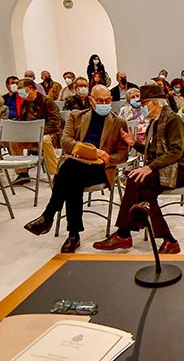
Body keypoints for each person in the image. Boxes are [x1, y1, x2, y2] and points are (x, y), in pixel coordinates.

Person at [23, 85, 132, 253]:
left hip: (100, 169)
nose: (105, 103)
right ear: (91, 100)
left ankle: (50, 218)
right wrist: (91, 151)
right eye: (101, 101)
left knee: (68, 171)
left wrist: (107, 158)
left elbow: (123, 154)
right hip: (76, 165)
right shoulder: (76, 116)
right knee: (73, 177)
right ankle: (72, 234)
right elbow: (65, 141)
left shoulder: (119, 122)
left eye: (108, 100)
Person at [91, 84, 184, 255]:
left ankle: (124, 234)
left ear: (154, 103)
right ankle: (168, 240)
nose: (142, 107)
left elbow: (176, 151)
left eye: (144, 103)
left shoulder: (173, 120)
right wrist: (134, 144)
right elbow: (154, 150)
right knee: (142, 188)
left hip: (179, 169)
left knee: (136, 179)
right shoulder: (155, 121)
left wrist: (149, 168)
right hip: (164, 167)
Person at [9, 78, 62, 183]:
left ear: (30, 88)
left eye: (20, 88)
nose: (18, 91)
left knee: (45, 140)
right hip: (31, 135)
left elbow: (55, 122)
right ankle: (22, 173)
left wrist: (39, 132)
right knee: (13, 141)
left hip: (50, 134)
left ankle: (56, 174)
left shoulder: (47, 102)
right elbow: (22, 120)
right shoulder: (25, 104)